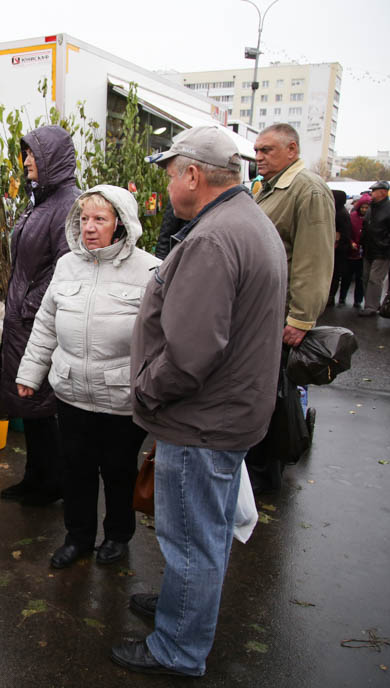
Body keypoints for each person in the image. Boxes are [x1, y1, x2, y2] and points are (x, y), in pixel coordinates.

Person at [111, 126, 287, 677]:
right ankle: (178, 610)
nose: (165, 184)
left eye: (169, 173)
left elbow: (190, 353)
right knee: (200, 533)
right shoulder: (245, 220)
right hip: (226, 412)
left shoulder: (213, 237)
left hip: (202, 419)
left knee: (192, 540)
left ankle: (177, 650)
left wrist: (145, 389)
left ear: (193, 174)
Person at [14, 185, 159, 569]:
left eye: (100, 219)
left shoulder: (150, 269)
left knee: (118, 471)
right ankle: (77, 537)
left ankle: (117, 537)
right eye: (84, 219)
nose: (90, 227)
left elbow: (163, 336)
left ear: (121, 224)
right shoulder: (67, 266)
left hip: (121, 397)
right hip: (72, 392)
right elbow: (45, 324)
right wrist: (30, 373)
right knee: (75, 468)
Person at [0, 125, 81, 506]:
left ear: (52, 159)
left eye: (33, 154)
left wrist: (30, 307)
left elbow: (67, 268)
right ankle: (37, 477)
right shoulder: (41, 202)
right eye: (25, 153)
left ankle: (53, 481)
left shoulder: (68, 204)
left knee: (44, 404)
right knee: (32, 404)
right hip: (24, 319)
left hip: (38, 321)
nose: (26, 160)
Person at [248, 123, 333, 493]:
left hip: (283, 317)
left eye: (267, 150)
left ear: (292, 150)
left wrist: (301, 318)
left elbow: (313, 261)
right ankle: (264, 466)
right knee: (269, 392)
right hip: (263, 313)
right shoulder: (266, 188)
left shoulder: (307, 190)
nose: (259, 157)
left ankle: (271, 472)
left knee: (280, 397)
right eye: (257, 150)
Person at [359, 180, 390, 316]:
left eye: (374, 191)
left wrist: (383, 244)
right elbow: (366, 227)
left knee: (375, 279)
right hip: (369, 249)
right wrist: (362, 243)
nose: (371, 193)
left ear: (383, 192)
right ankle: (370, 303)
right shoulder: (372, 208)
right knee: (366, 277)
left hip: (383, 252)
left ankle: (371, 307)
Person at [339, 194, 370, 308]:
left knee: (360, 279)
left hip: (363, 253)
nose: (364, 210)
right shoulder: (352, 217)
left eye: (367, 208)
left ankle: (358, 300)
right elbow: (347, 231)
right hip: (350, 252)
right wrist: (350, 242)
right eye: (363, 207)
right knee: (346, 276)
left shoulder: (371, 218)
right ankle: (342, 297)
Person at [326, 190, 353, 307]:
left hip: (337, 250)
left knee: (334, 274)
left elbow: (345, 234)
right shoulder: (337, 211)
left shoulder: (341, 214)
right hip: (335, 249)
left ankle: (330, 297)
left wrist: (337, 243)